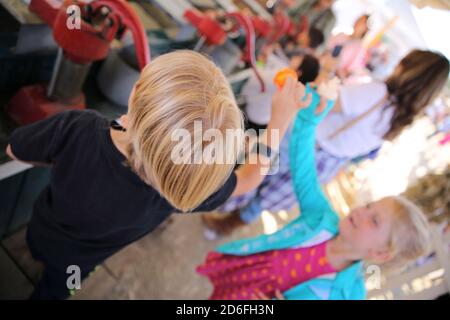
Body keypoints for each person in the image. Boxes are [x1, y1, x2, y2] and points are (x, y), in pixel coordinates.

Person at [6, 50, 309, 299]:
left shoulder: (78, 129)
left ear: (135, 92)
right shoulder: (187, 184)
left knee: (37, 246)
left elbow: (15, 151)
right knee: (62, 287)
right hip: (80, 263)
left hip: (44, 226)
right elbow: (250, 180)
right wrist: (278, 124)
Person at [197, 89, 431, 300]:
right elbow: (304, 168)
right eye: (369, 206)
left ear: (380, 253)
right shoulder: (322, 217)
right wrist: (308, 120)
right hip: (241, 276)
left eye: (374, 219)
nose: (362, 211)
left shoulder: (350, 294)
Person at [202, 49, 449, 237]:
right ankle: (224, 226)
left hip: (304, 141)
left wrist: (326, 73)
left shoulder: (376, 92)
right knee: (268, 197)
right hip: (326, 164)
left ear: (409, 69)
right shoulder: (399, 120)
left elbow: (322, 103)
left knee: (253, 171)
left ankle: (212, 201)